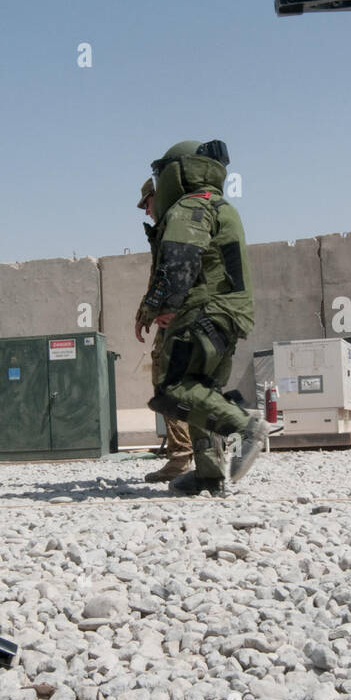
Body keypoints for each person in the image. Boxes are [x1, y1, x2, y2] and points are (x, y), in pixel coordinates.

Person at [135, 139, 268, 495]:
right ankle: (208, 475)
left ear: (177, 173)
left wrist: (159, 306)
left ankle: (244, 427)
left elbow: (180, 260)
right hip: (227, 314)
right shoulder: (220, 205)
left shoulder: (190, 207)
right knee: (201, 391)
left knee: (173, 390)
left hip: (205, 312)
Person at [136, 176, 196, 483]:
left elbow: (173, 273)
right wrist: (144, 313)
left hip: (183, 318)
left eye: (146, 203)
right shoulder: (182, 221)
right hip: (188, 315)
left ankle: (182, 456)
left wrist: (173, 309)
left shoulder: (174, 225)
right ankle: (200, 452)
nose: (146, 211)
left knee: (167, 382)